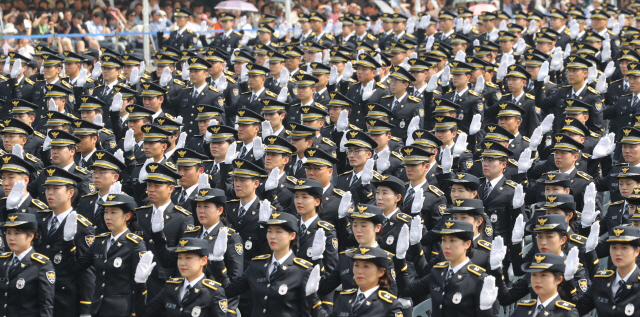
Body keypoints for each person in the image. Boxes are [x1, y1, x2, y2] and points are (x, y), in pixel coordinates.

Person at [60, 190, 146, 317]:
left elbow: (138, 285)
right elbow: (74, 268)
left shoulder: (134, 244)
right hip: (97, 309)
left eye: (113, 212)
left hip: (121, 311)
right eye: (106, 212)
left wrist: (135, 313)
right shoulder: (100, 241)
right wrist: (68, 242)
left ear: (127, 216)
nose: (108, 217)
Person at [212, 211, 313, 317]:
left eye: (278, 232)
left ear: (292, 235)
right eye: (269, 231)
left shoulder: (302, 270)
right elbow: (229, 291)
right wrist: (218, 262)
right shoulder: (257, 265)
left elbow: (306, 311)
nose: (272, 236)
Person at [394, 220, 499, 317]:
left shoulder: (478, 279)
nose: (446, 246)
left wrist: (486, 310)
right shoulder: (438, 272)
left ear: (467, 244)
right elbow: (406, 291)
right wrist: (400, 258)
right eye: (444, 240)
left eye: (452, 240)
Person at [134, 237, 228, 317]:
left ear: (203, 261)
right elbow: (144, 314)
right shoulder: (170, 287)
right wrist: (140, 283)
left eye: (188, 258)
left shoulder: (213, 292)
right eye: (179, 258)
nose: (182, 263)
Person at [305, 246, 404, 317]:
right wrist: (312, 297)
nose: (359, 271)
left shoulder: (389, 305)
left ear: (381, 272)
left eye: (366, 266)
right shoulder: (344, 298)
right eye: (356, 265)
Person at [576, 226, 640, 316]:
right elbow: (578, 309)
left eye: (624, 248)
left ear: (637, 251)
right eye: (614, 247)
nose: (618, 253)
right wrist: (568, 281)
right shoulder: (601, 281)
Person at [0, 213, 55, 317]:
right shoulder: (3, 261)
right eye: (8, 233)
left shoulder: (41, 266)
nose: (11, 238)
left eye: (17, 233)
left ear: (31, 236)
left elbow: (46, 306)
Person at [509, 253, 580, 317]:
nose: (537, 280)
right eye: (534, 275)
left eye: (543, 275)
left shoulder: (566, 313)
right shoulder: (522, 309)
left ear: (559, 279)